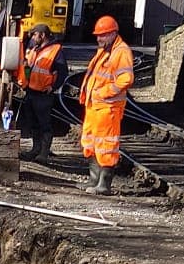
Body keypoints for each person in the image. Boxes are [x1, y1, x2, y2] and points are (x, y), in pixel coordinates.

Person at [78, 15, 136, 193]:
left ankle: (104, 185)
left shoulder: (121, 52)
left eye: (102, 35)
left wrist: (103, 93)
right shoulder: (105, 50)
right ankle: (94, 180)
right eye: (98, 35)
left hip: (108, 107)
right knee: (90, 143)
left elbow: (125, 79)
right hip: (95, 106)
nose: (99, 38)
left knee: (106, 145)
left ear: (113, 33)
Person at [15, 25, 65, 161]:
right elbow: (30, 68)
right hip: (31, 91)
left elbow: (62, 72)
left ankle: (43, 153)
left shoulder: (56, 50)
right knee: (33, 123)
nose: (32, 38)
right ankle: (35, 149)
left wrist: (53, 87)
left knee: (44, 124)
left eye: (34, 35)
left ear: (42, 35)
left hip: (43, 94)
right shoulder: (36, 49)